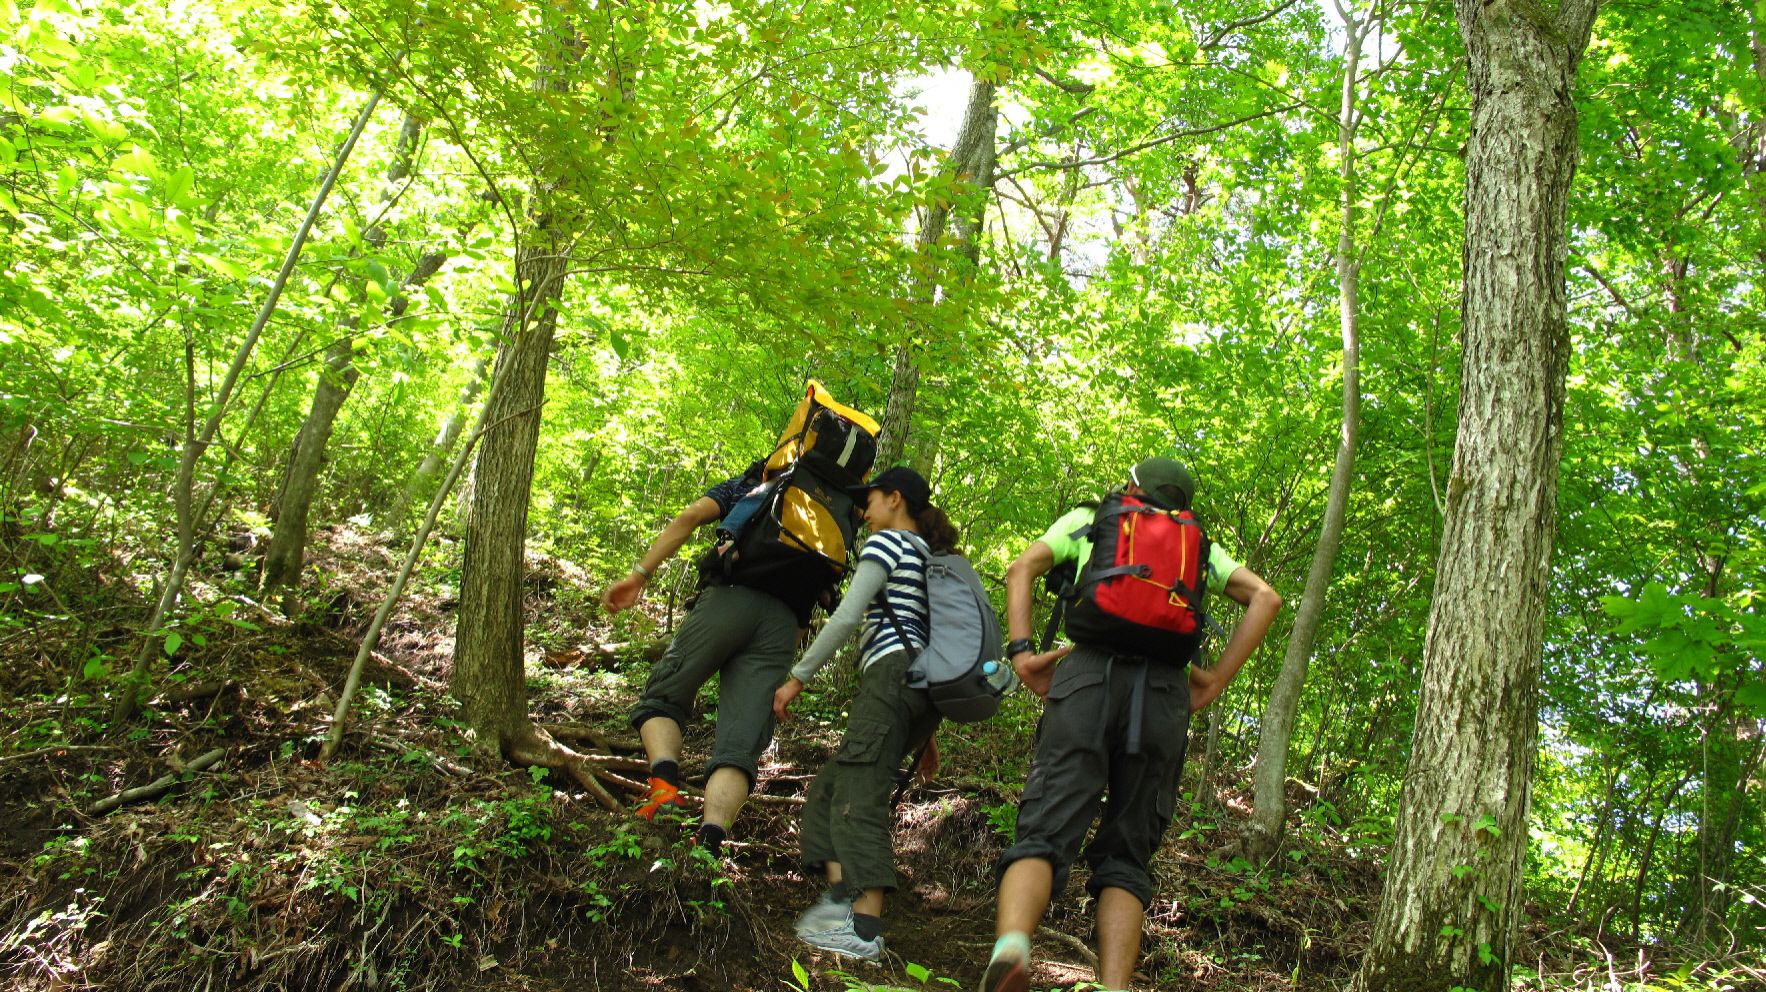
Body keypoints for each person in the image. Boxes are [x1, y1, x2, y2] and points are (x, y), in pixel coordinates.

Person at [980, 456, 1283, 992]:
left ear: (1131, 487)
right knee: (1127, 854)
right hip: (1164, 694)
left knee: (1045, 829)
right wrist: (1214, 681)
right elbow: (1266, 597)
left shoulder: (1094, 519)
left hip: (1085, 676)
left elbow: (1021, 568)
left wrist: (1023, 652)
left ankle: (1012, 949)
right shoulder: (1197, 546)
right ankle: (1115, 987)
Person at [772, 466, 961, 960]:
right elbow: (925, 637)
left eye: (870, 500)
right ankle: (841, 901)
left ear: (895, 500)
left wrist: (797, 677)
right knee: (830, 787)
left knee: (859, 794)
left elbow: (847, 615)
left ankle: (863, 929)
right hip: (921, 692)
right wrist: (927, 736)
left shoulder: (889, 544)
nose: (865, 511)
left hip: (891, 678)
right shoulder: (931, 557)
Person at [601, 457, 833, 852]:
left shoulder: (749, 486)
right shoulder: (824, 516)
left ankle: (663, 793)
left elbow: (690, 517)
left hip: (729, 597)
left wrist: (639, 575)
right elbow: (816, 593)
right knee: (740, 745)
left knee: (663, 695)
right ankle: (708, 847)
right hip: (782, 626)